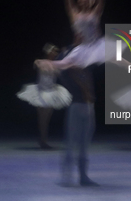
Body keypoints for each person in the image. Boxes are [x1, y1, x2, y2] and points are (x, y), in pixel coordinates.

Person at [35, 0, 121, 71]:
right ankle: (44, 65)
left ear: (92, 0)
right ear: (79, 1)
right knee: (65, 63)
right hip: (83, 48)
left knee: (116, 58)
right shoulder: (74, 13)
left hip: (97, 45)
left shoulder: (95, 12)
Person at [56, 35, 99, 187]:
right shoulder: (69, 56)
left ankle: (83, 176)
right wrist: (83, 89)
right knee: (72, 141)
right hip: (77, 104)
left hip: (87, 105)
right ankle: (67, 176)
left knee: (83, 144)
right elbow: (67, 70)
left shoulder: (84, 58)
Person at [17, 43, 72, 149]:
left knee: (46, 119)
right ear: (48, 52)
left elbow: (63, 71)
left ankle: (43, 140)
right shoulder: (39, 62)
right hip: (41, 92)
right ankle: (43, 140)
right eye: (54, 51)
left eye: (57, 51)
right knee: (42, 119)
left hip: (52, 92)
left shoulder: (57, 64)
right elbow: (43, 70)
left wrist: (64, 57)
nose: (56, 53)